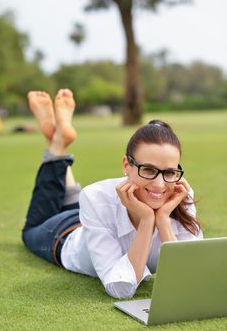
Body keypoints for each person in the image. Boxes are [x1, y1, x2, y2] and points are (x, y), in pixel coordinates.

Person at [22, 89, 203, 299]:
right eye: (149, 170)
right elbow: (121, 288)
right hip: (65, 235)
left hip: (94, 219)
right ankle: (57, 146)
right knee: (31, 230)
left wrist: (162, 218)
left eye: (170, 172)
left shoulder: (179, 193)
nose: (160, 184)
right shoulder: (95, 197)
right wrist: (146, 220)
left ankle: (58, 143)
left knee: (75, 202)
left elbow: (188, 275)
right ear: (127, 164)